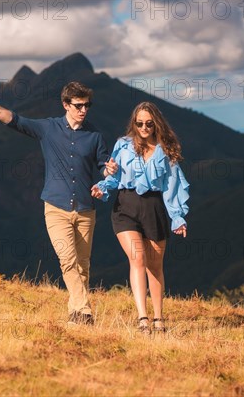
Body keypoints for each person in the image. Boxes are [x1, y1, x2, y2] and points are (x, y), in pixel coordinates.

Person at [0, 81, 118, 326]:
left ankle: (76, 315)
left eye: (87, 105)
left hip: (85, 208)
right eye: (79, 105)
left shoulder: (95, 135)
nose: (84, 110)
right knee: (67, 259)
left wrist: (108, 172)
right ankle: (86, 312)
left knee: (82, 265)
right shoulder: (48, 128)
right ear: (66, 105)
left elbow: (103, 166)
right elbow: (13, 119)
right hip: (56, 208)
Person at [91, 101, 189, 334]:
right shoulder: (123, 145)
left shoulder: (166, 151)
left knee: (155, 267)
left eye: (149, 123)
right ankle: (142, 318)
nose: (144, 127)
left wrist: (178, 217)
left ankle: (158, 317)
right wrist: (102, 187)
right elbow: (113, 174)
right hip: (125, 207)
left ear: (156, 124)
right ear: (134, 124)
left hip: (154, 208)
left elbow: (172, 186)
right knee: (138, 260)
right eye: (140, 123)